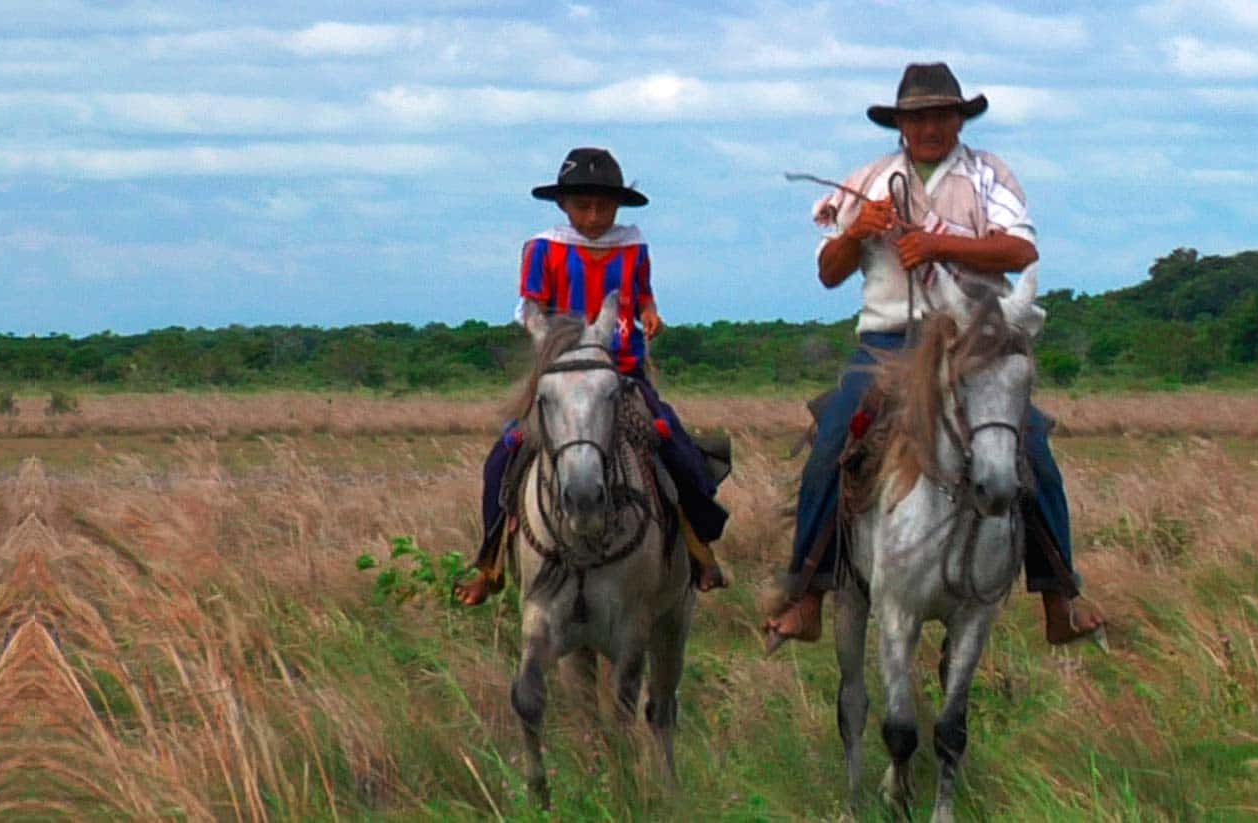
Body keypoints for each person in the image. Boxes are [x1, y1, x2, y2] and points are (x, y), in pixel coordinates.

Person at [763, 63, 1105, 647]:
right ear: (900, 123)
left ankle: (1059, 595)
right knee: (831, 443)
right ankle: (807, 594)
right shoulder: (867, 182)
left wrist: (939, 242)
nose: (930, 126)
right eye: (918, 117)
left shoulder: (989, 173)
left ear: (958, 119)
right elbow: (827, 275)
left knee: (1030, 444)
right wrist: (855, 234)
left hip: (973, 340)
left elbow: (1020, 250)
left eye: (942, 115)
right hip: (888, 343)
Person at [455, 147, 726, 606]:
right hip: (561, 372)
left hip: (622, 369)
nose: (595, 216)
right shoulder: (543, 247)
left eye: (604, 206)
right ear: (564, 205)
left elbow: (642, 293)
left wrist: (650, 313)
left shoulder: (633, 244)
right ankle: (490, 560)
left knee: (672, 441)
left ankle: (699, 546)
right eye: (583, 205)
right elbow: (531, 307)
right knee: (506, 453)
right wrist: (550, 343)